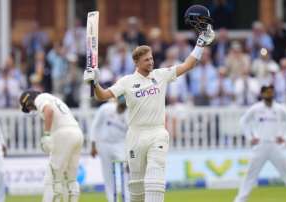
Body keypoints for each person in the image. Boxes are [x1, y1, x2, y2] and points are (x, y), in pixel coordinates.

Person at [83, 23, 215, 202]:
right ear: (136, 62)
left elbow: (188, 64)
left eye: (152, 58)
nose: (151, 62)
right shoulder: (127, 81)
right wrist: (95, 82)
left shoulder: (160, 75)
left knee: (155, 179)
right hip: (135, 135)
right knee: (136, 186)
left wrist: (200, 43)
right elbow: (102, 96)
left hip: (157, 132)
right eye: (147, 60)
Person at [234, 85, 286, 202]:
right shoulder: (256, 108)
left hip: (275, 145)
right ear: (262, 94)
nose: (269, 95)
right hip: (260, 145)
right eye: (267, 93)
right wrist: (250, 137)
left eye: (271, 92)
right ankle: (240, 199)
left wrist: (285, 137)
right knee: (250, 174)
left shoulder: (279, 108)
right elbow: (243, 121)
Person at [19, 90, 84, 202]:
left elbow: (49, 111)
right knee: (71, 179)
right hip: (77, 133)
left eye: (28, 106)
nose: (30, 109)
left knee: (52, 178)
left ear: (29, 99)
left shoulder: (40, 98)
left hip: (64, 134)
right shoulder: (52, 98)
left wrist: (47, 134)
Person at [90, 96, 128, 202]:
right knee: (108, 175)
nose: (122, 109)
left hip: (120, 144)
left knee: (126, 173)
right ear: (117, 102)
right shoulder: (105, 108)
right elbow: (95, 126)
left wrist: (130, 156)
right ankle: (112, 200)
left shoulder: (129, 114)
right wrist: (93, 145)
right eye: (121, 106)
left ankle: (127, 199)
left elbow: (131, 135)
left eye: (124, 107)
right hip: (104, 144)